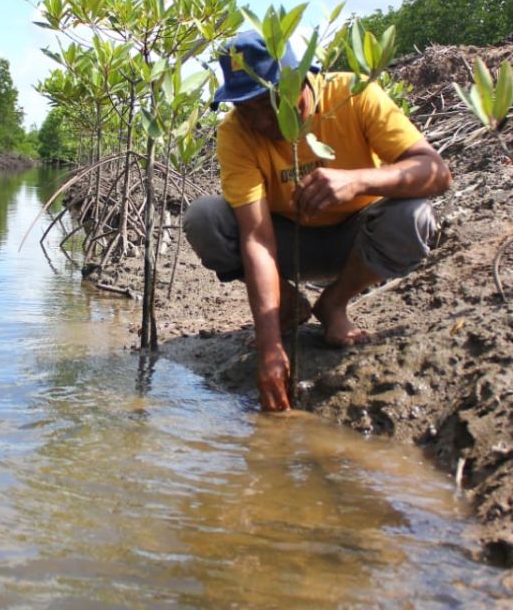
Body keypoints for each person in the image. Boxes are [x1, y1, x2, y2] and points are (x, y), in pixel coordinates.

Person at [182, 30, 452, 412]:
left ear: (302, 80)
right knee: (205, 218)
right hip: (287, 247)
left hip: (358, 242)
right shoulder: (235, 132)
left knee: (413, 217)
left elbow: (436, 172)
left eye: (270, 102)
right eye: (247, 108)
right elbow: (257, 239)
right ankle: (288, 304)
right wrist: (271, 345)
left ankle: (334, 303)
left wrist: (357, 180)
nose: (260, 120)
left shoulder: (355, 96)